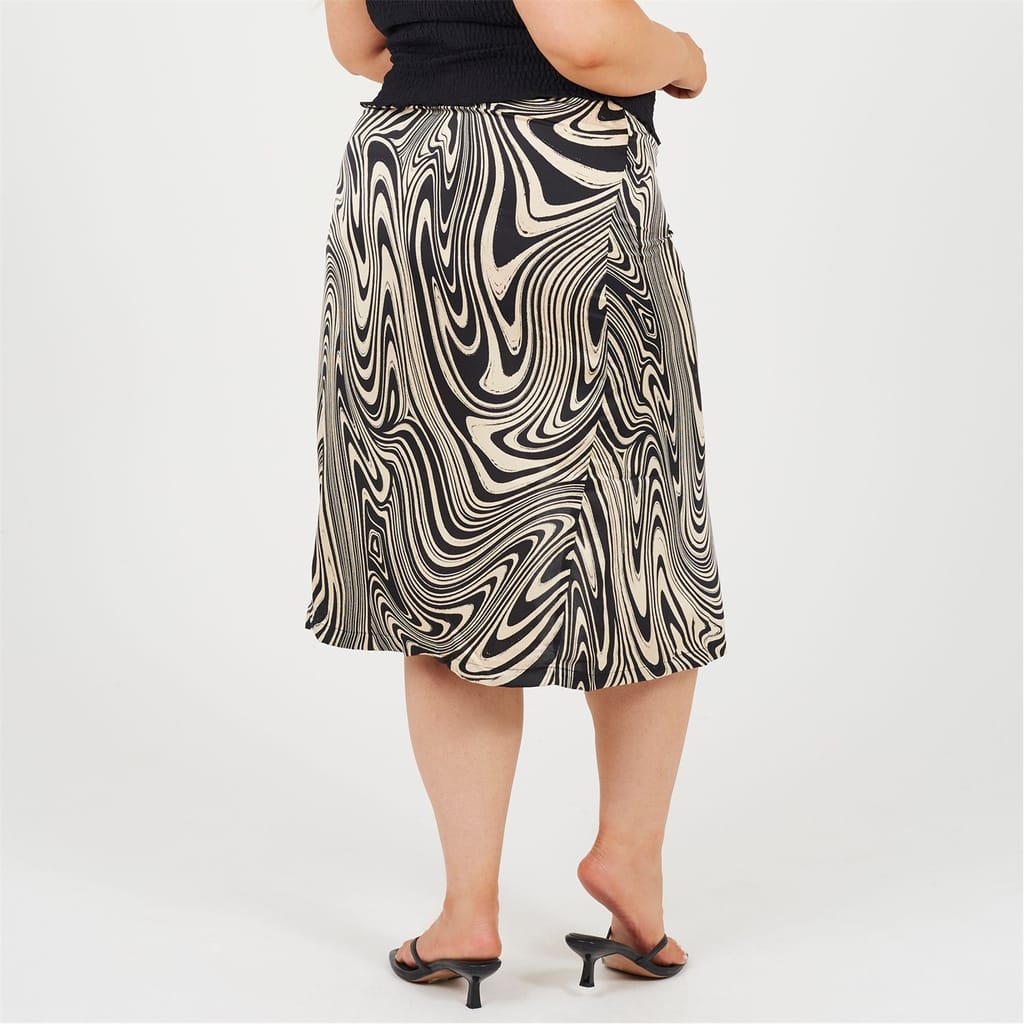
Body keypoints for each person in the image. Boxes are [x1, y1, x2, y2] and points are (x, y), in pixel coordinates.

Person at [307, 0, 727, 1009]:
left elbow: (358, 45)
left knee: (442, 537)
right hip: (548, 188)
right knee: (633, 531)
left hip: (402, 190)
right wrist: (682, 58)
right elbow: (585, 38)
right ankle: (629, 865)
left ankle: (466, 914)